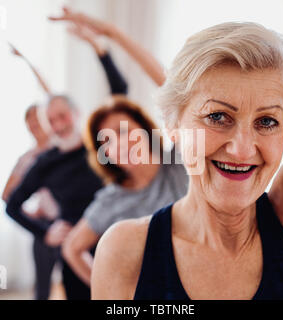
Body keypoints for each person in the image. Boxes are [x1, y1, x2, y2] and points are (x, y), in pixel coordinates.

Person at [90, 0, 283, 299]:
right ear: (173, 126)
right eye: (217, 117)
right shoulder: (126, 250)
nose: (241, 149)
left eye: (266, 121)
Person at [49, 8, 187, 287]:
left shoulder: (178, 161)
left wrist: (113, 34)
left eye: (123, 131)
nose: (118, 143)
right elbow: (72, 249)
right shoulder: (111, 200)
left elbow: (175, 91)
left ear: (146, 132)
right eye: (106, 141)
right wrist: (113, 290)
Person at [5, 23, 128, 300]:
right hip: (75, 249)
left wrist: (99, 48)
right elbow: (11, 205)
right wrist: (46, 230)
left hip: (115, 242)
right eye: (52, 120)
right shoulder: (45, 163)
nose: (59, 124)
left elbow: (120, 90)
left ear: (77, 113)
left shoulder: (101, 145)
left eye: (63, 116)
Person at [2, 104, 60, 300]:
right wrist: (30, 214)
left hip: (69, 222)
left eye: (38, 120)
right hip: (43, 226)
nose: (35, 125)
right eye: (31, 123)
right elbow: (7, 195)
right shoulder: (27, 159)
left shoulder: (62, 150)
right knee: (42, 284)